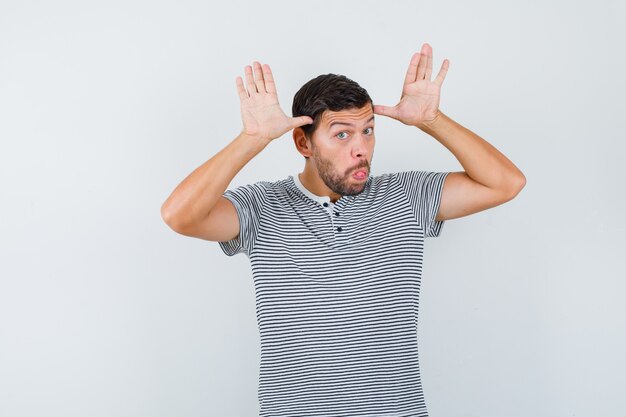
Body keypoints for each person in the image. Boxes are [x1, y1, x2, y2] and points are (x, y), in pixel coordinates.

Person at [161, 43, 525, 417]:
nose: (361, 148)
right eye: (342, 135)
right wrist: (251, 140)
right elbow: (179, 216)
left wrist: (433, 121)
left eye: (368, 131)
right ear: (303, 142)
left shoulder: (406, 196)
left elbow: (505, 183)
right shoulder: (261, 207)